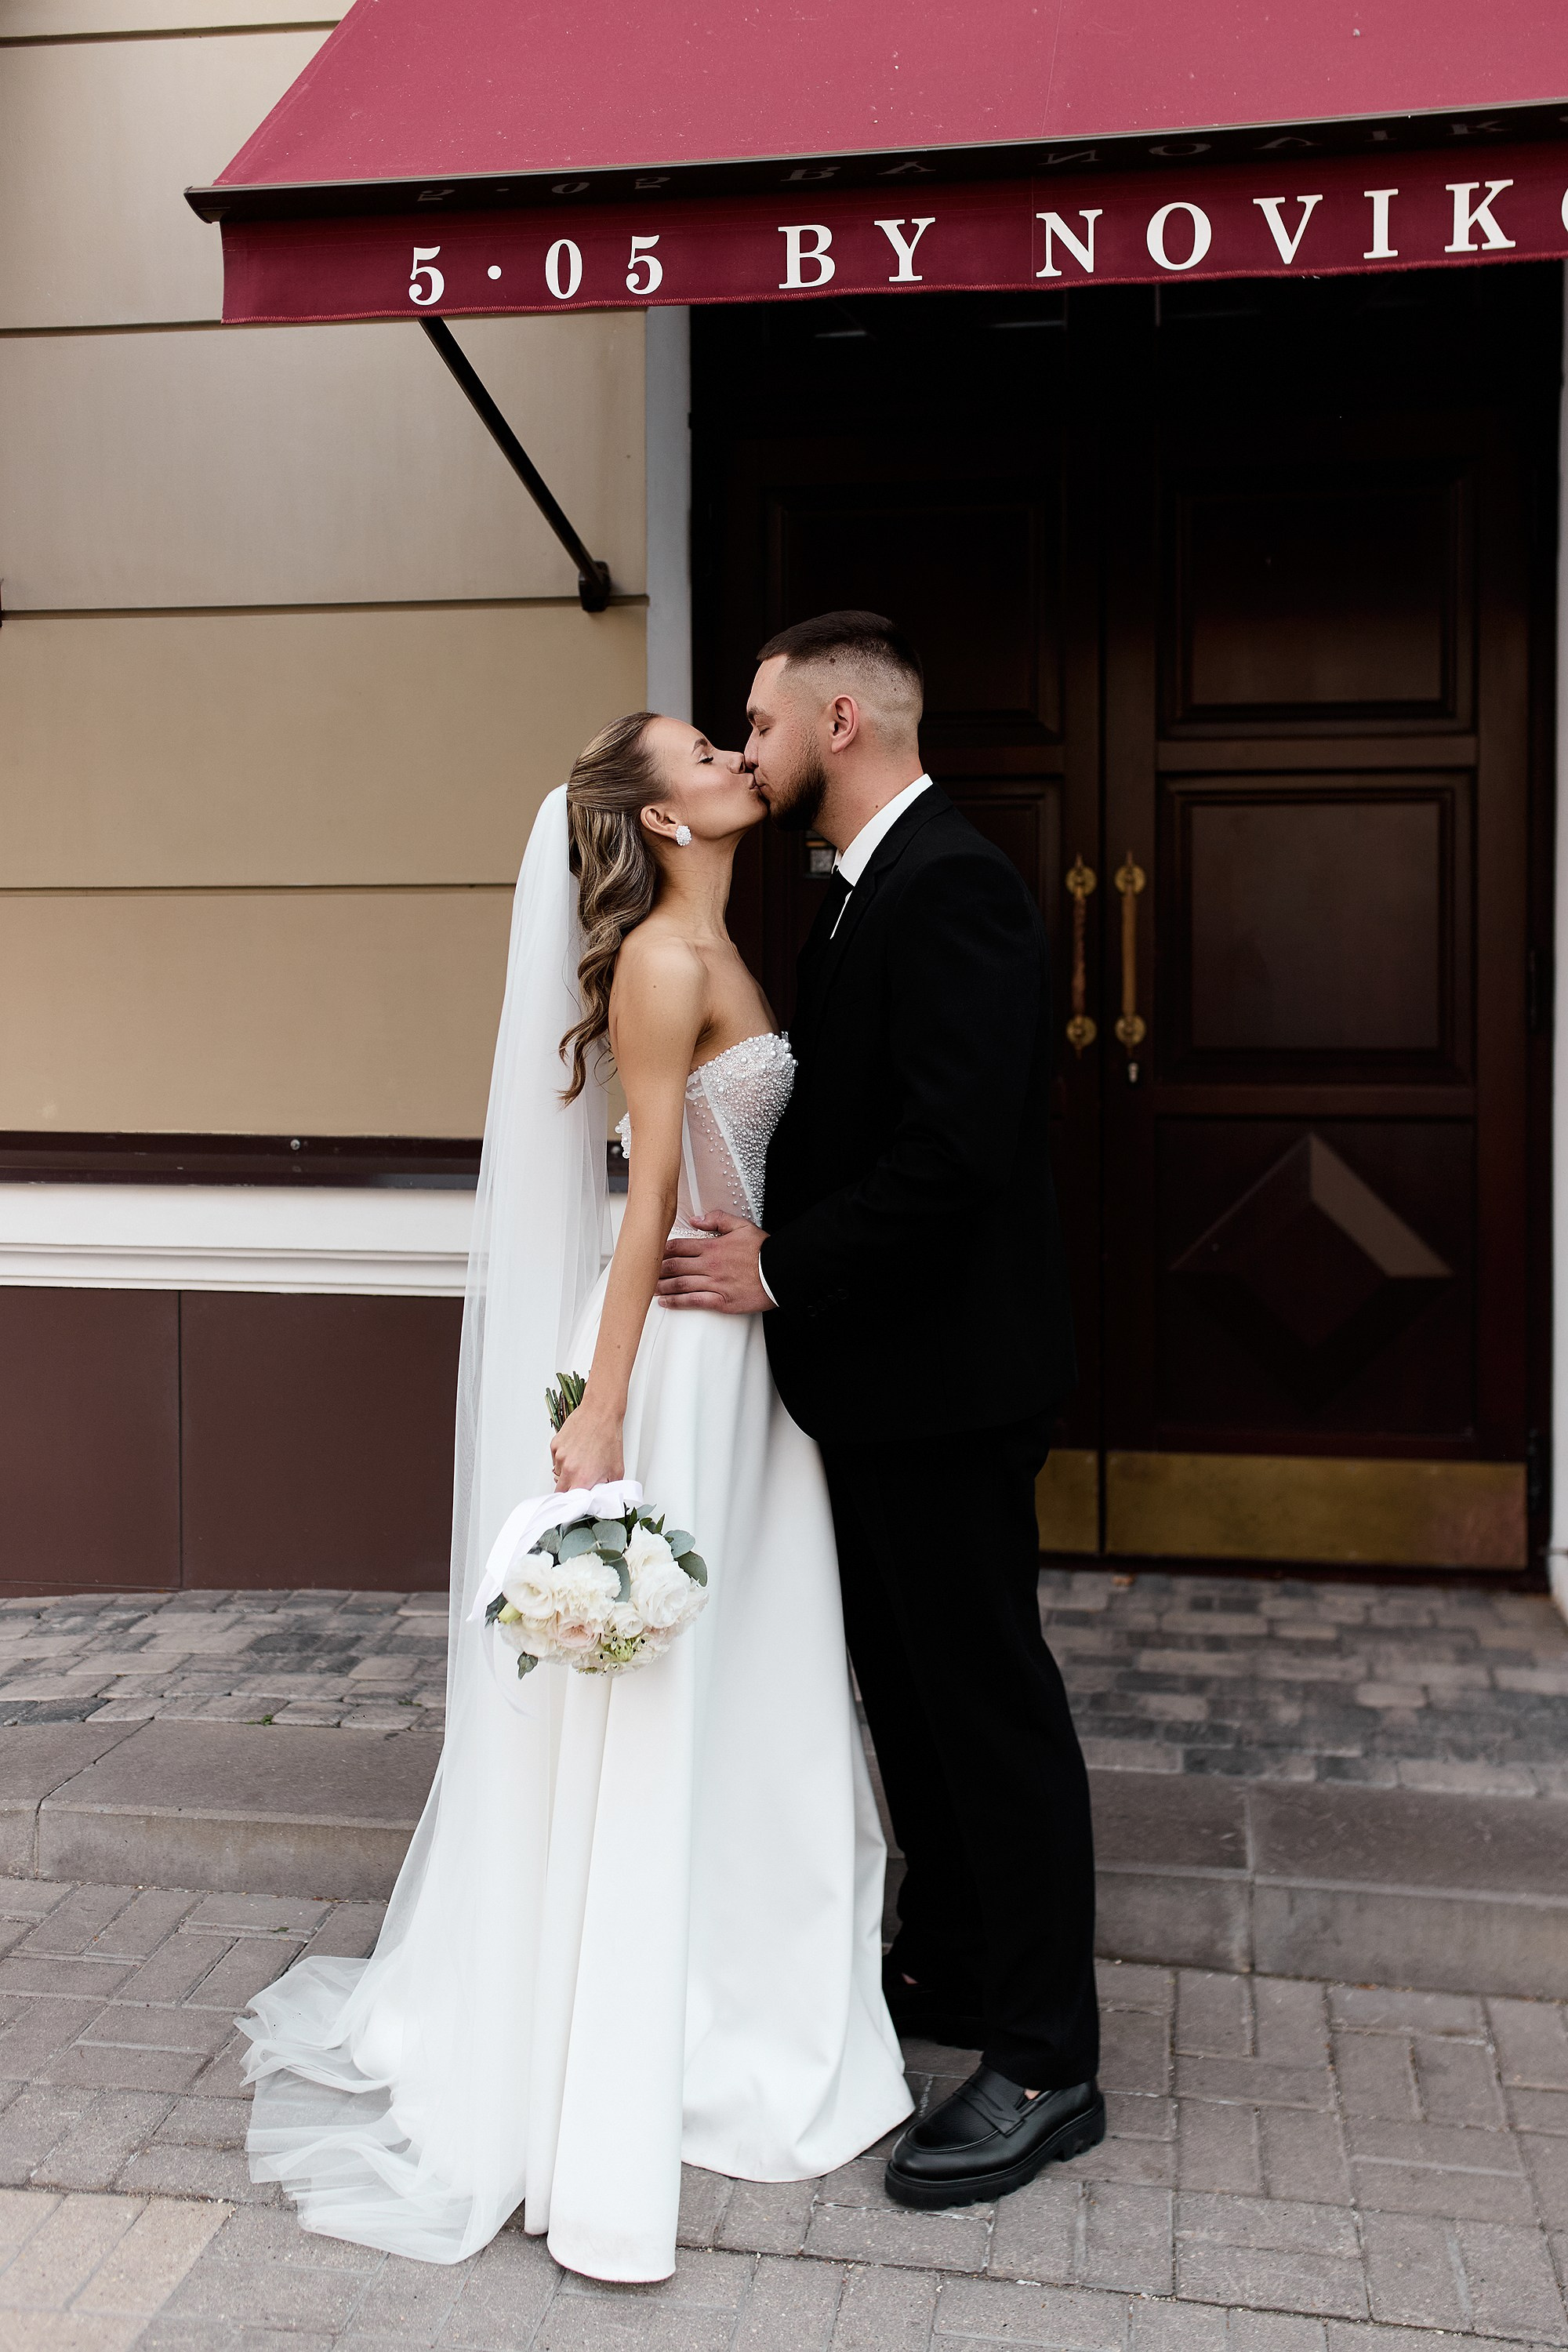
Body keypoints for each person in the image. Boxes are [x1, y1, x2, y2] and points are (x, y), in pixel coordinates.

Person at [238, 713, 910, 2279]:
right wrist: (599, 1410)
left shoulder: (717, 936)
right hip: (678, 1371)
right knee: (692, 1680)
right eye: (704, 751)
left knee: (758, 1673)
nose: (737, 759)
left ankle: (746, 1978)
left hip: (739, 1360)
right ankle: (673, 2007)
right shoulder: (670, 968)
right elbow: (646, 1208)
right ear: (660, 818)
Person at [658, 610, 1103, 2209]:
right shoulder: (860, 893)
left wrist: (777, 1269)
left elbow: (951, 1158)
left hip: (954, 1380)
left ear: (840, 720)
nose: (750, 749)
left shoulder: (958, 885)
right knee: (909, 1694)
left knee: (983, 1700)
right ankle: (961, 1967)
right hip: (882, 1382)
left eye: (760, 724)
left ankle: (1048, 2060)